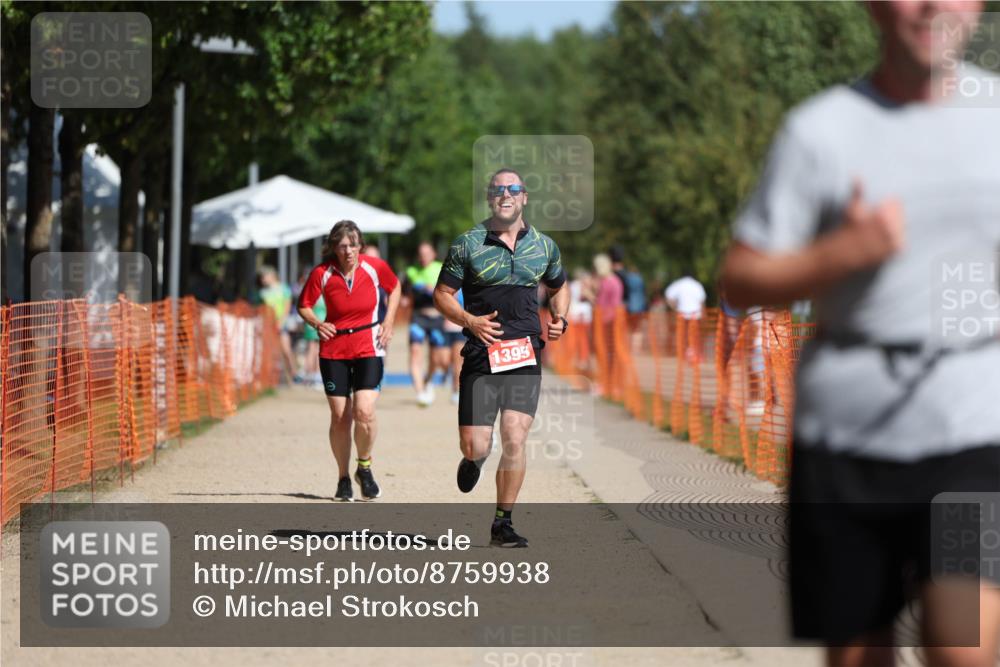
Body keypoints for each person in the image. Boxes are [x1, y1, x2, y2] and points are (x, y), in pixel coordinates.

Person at [720, 2, 999, 665]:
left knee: (964, 646)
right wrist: (842, 252)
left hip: (970, 425)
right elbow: (740, 277)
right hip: (846, 439)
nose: (934, 6)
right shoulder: (820, 131)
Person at [434, 168, 569, 548]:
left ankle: (502, 523)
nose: (505, 195)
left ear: (525, 197)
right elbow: (441, 294)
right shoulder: (468, 244)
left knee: (515, 436)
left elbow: (560, 287)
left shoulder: (544, 246)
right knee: (477, 445)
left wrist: (561, 318)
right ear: (489, 198)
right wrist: (468, 320)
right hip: (481, 353)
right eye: (498, 190)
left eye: (513, 189)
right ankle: (474, 459)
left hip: (525, 354)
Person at [298, 220, 401, 502]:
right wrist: (318, 323)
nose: (348, 251)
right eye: (342, 246)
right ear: (333, 247)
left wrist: (389, 321)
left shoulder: (374, 267)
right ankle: (343, 477)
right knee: (341, 417)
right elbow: (303, 305)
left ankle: (364, 467)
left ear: (360, 246)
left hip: (369, 345)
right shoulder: (322, 273)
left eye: (353, 245)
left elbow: (395, 288)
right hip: (334, 349)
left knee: (364, 412)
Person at [404, 242, 450, 406]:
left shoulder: (441, 268)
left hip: (437, 319)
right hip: (418, 318)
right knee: (415, 352)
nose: (423, 256)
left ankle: (428, 380)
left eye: (426, 253)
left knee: (437, 358)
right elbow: (405, 294)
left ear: (433, 254)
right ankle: (420, 393)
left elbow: (451, 293)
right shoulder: (411, 271)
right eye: (420, 253)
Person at [258, 265, 297, 383]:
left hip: (282, 324)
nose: (262, 280)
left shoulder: (283, 289)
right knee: (270, 351)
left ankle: (293, 374)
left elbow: (287, 306)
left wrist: (281, 321)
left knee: (286, 350)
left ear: (272, 276)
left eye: (264, 277)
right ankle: (271, 376)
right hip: (268, 325)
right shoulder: (262, 292)